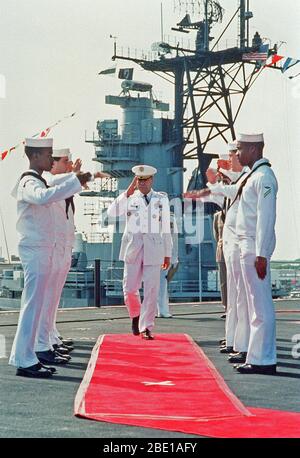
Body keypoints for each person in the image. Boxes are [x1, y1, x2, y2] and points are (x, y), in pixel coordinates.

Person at [9, 138, 92, 377]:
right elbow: (43, 197)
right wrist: (76, 180)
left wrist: (76, 179)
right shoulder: (28, 182)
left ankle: (31, 354)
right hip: (35, 249)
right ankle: (24, 359)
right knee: (32, 306)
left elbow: (51, 190)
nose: (49, 158)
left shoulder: (39, 181)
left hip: (44, 248)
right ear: (35, 156)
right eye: (47, 154)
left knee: (38, 305)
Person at [34, 148, 109, 363]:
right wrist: (80, 175)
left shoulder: (59, 184)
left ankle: (49, 337)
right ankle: (43, 343)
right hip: (51, 247)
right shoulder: (47, 180)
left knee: (53, 298)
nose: (69, 165)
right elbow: (62, 183)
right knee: (46, 298)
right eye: (65, 161)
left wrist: (76, 176)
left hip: (63, 247)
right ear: (53, 163)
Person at [107, 165, 172, 339]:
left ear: (151, 180)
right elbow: (111, 212)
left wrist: (168, 253)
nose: (141, 183)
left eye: (145, 180)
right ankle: (135, 315)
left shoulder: (161, 199)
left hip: (154, 248)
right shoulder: (129, 198)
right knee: (129, 289)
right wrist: (127, 191)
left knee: (151, 289)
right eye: (139, 180)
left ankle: (146, 327)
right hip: (133, 248)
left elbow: (166, 228)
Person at [233, 132, 278, 375]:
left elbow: (265, 218)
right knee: (253, 305)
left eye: (240, 149)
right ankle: (257, 356)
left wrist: (261, 253)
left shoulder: (264, 177)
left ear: (253, 149)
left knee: (260, 305)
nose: (237, 154)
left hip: (253, 245)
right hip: (246, 244)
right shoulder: (253, 176)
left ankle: (264, 359)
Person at [157, 214, 179, 318]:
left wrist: (174, 257)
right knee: (151, 284)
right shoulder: (148, 214)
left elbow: (174, 238)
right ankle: (155, 310)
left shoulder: (170, 217)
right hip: (150, 253)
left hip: (164, 255)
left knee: (162, 284)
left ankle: (162, 310)